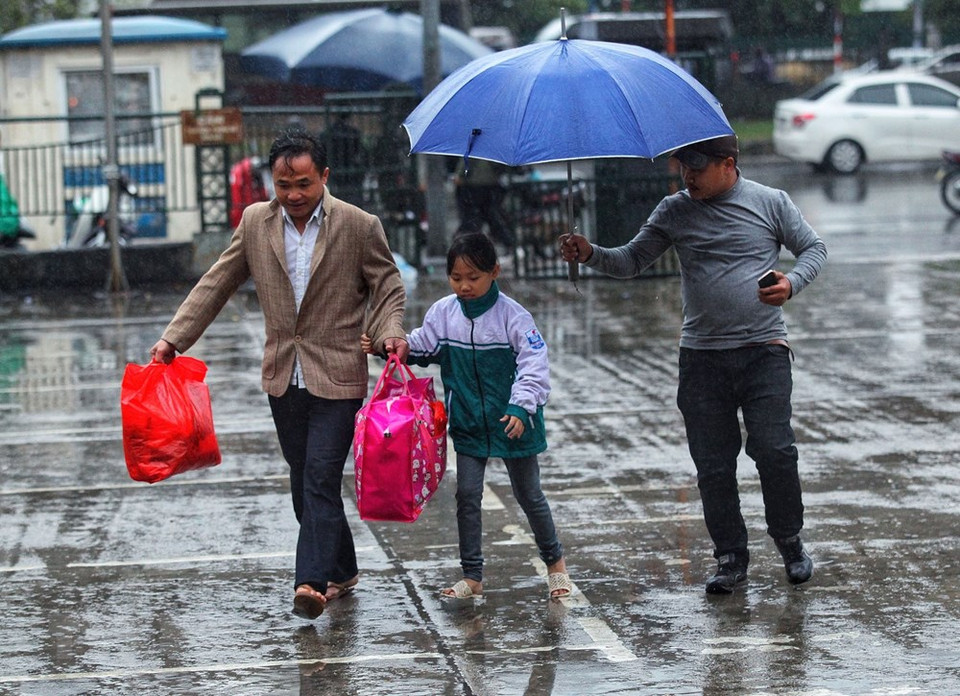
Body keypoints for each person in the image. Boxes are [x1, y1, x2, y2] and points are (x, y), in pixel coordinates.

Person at [150, 128, 408, 620]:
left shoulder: (358, 225)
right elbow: (217, 282)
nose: (293, 195)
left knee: (319, 475)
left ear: (324, 177)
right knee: (304, 481)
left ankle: (310, 582)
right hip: (282, 375)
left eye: (303, 184)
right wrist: (173, 339)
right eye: (284, 184)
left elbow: (388, 286)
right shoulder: (255, 222)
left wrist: (389, 330)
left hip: (338, 373)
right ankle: (344, 567)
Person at [560, 134, 827, 595]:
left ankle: (789, 540)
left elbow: (814, 250)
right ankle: (730, 557)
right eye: (683, 166)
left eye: (697, 167)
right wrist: (589, 253)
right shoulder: (674, 210)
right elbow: (631, 261)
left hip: (763, 349)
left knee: (774, 449)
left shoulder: (770, 202)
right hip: (702, 358)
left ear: (728, 164)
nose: (688, 176)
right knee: (713, 465)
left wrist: (791, 282)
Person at [362, 232, 572, 600]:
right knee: (467, 494)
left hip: (514, 423)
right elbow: (424, 345)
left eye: (473, 277)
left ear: (494, 271)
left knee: (529, 494)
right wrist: (391, 345)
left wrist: (521, 406)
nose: (464, 286)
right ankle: (472, 576)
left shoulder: (515, 317)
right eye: (456, 278)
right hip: (470, 424)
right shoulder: (444, 313)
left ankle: (555, 564)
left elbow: (534, 365)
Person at [455, 158, 516, 250]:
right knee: (491, 215)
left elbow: (466, 165)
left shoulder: (473, 147)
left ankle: (469, 245)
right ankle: (508, 241)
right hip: (491, 185)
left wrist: (460, 176)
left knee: (473, 218)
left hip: (473, 185)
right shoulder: (494, 149)